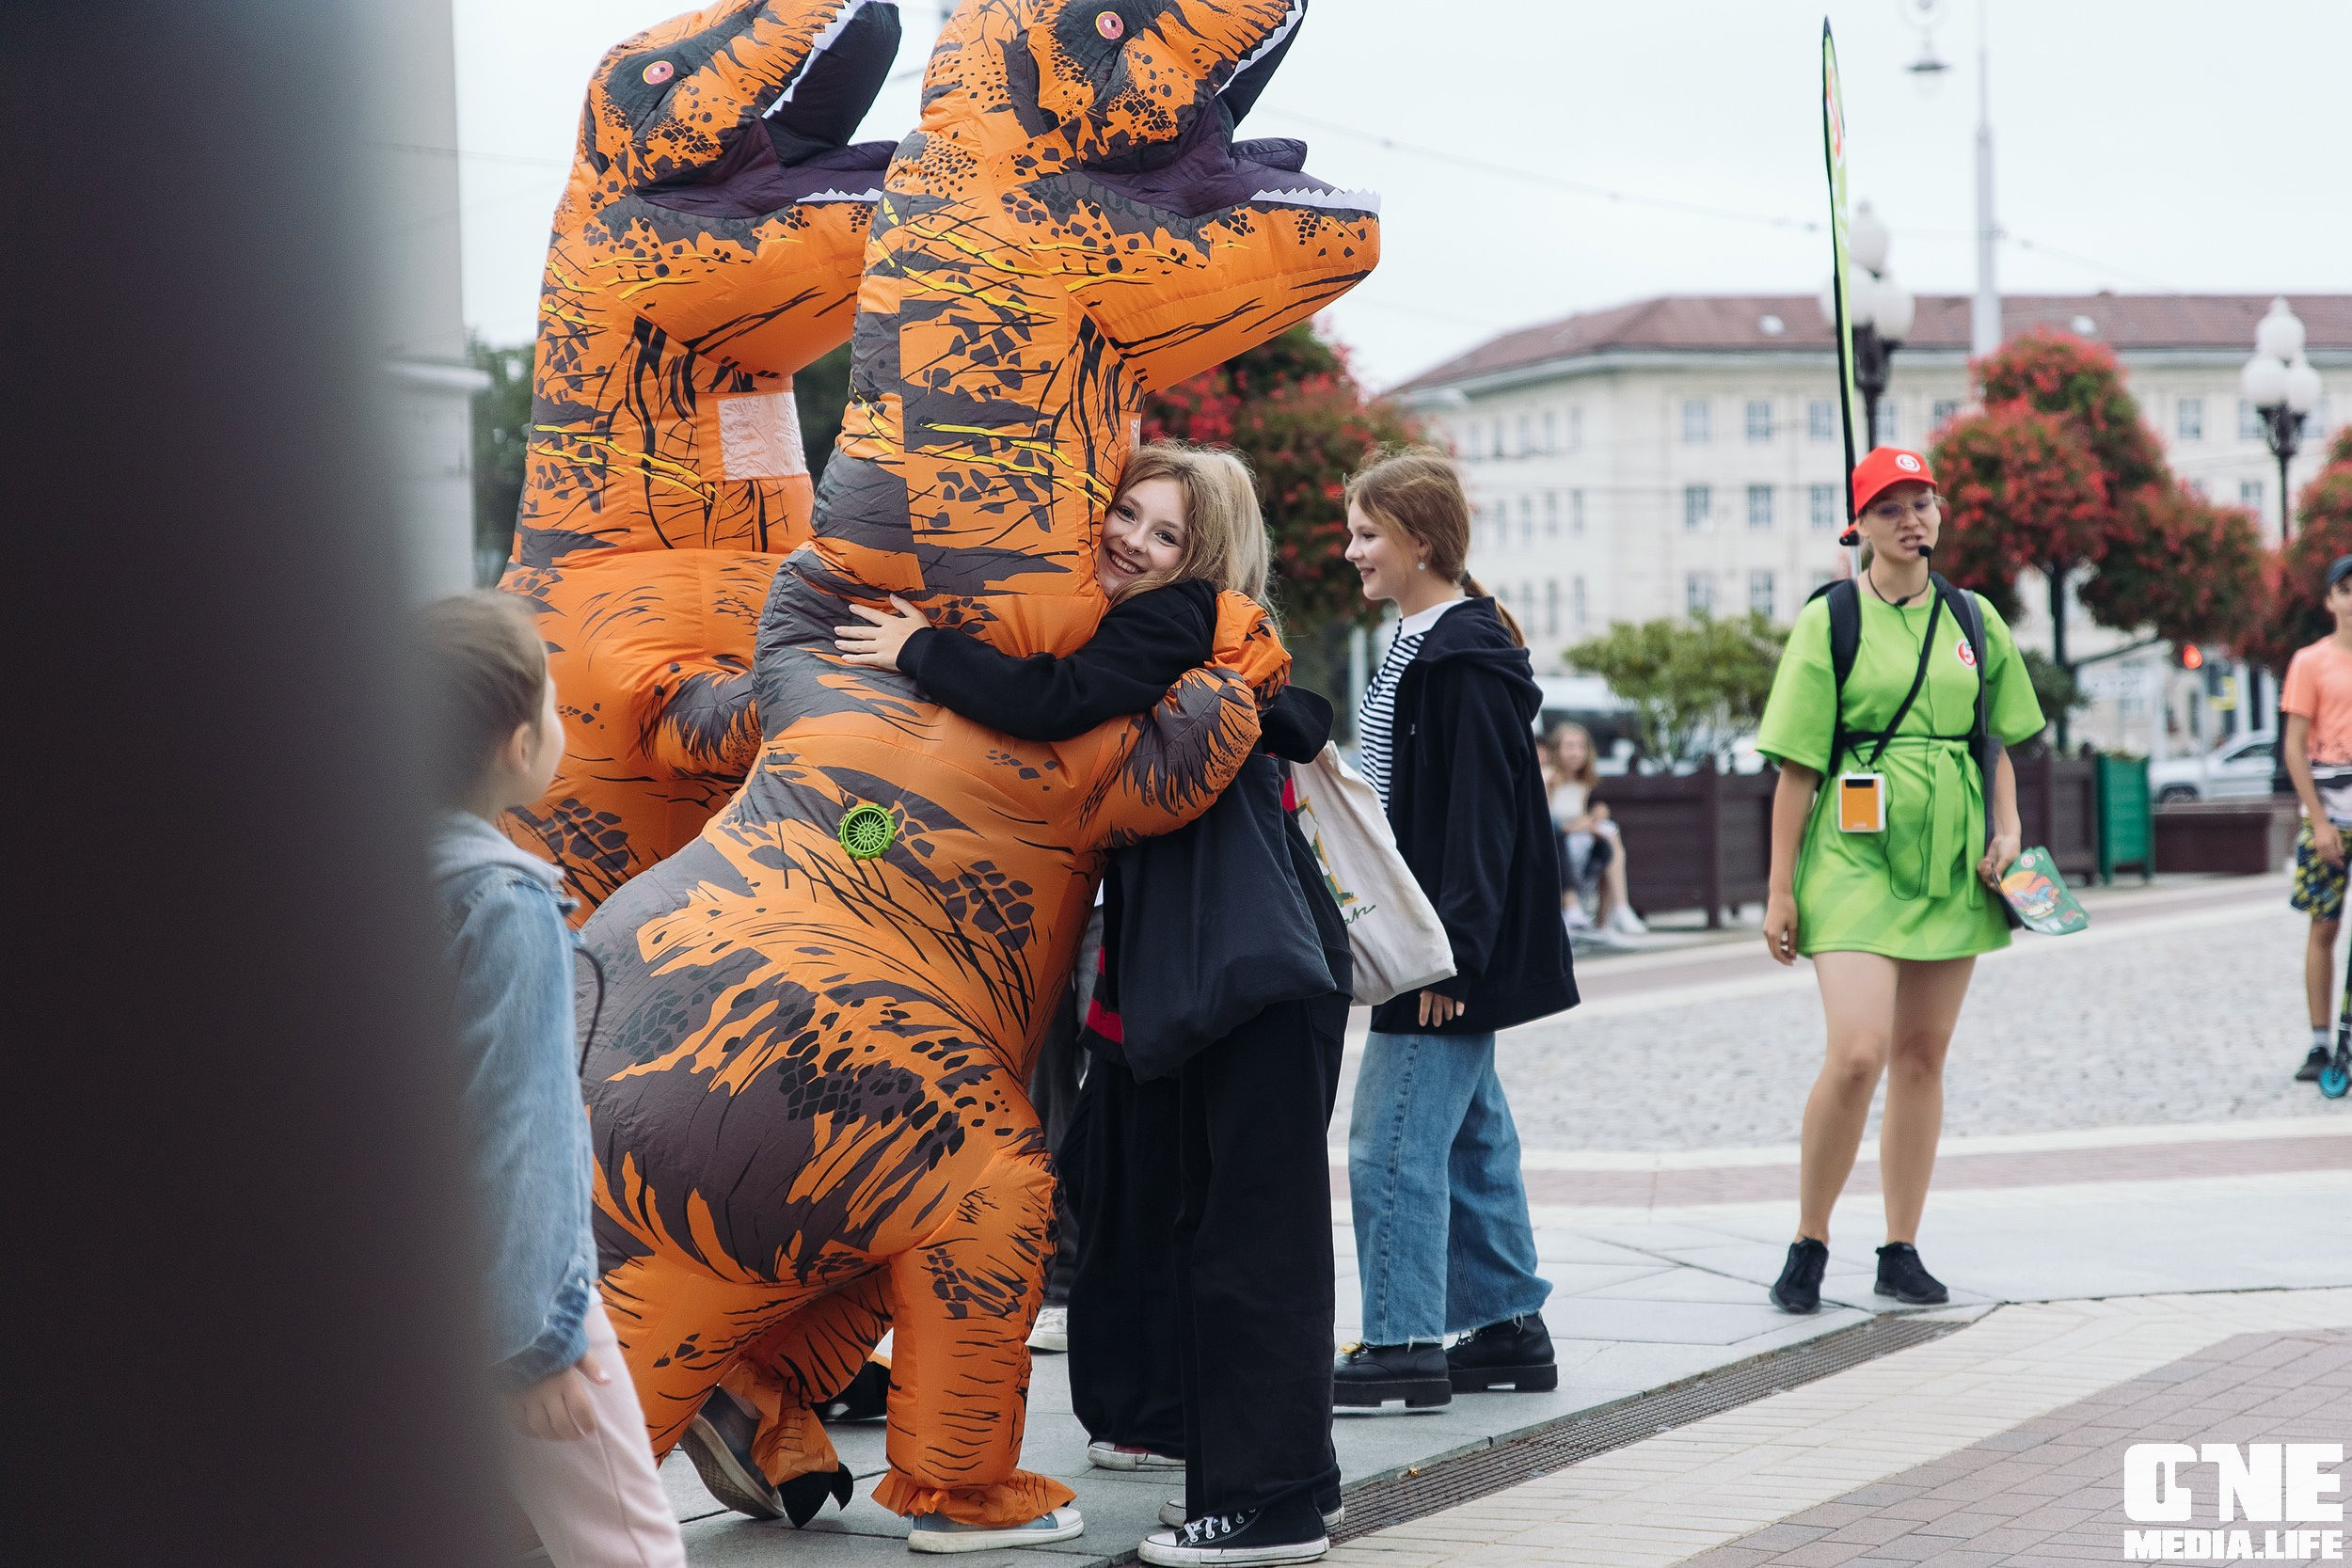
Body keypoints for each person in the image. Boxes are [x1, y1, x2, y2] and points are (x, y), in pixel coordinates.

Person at [840, 442, 1347, 1566]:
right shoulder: (1204, 639)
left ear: (1200, 558)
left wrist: (917, 646)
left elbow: (1051, 699)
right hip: (1240, 978)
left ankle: (1270, 1506)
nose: (1133, 541)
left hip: (1250, 976)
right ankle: (1280, 1486)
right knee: (1222, 1233)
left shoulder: (1176, 618)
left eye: (1166, 533)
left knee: (1246, 1243)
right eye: (1127, 514)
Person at [420, 593, 687, 1568]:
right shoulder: (502, 900)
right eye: (556, 704)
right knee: (627, 1545)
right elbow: (518, 1123)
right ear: (518, 742)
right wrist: (534, 1341)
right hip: (518, 1298)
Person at [1753, 448, 2044, 1315]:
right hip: (1853, 854)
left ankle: (1901, 1247)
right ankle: (1809, 1238)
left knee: (1923, 1054)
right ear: (1860, 527)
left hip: (1953, 854)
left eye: (1922, 502)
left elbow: (1995, 742)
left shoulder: (1974, 618)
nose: (1911, 519)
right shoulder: (1831, 619)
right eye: (1890, 507)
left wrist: (2009, 830)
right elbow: (1796, 769)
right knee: (1857, 1053)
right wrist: (1780, 889)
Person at [1335, 450, 1577, 1412]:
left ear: (1422, 542)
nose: (1352, 550)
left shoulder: (1460, 658)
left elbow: (1481, 819)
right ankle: (1508, 1324)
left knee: (1387, 1144)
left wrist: (1450, 959)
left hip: (1435, 946)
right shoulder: (1421, 642)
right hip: (1424, 931)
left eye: (1367, 533)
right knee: (1473, 1140)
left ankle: (1401, 1343)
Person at [2280, 554, 2352, 1083]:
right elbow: (2294, 747)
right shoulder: (2310, 662)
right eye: (2345, 590)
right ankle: (2319, 1041)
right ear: (2330, 600)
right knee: (2323, 927)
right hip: (2329, 818)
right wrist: (2320, 822)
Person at [1542, 723, 1645, 939]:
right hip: (1553, 850)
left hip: (1576, 845)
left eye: (1581, 747)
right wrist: (1584, 824)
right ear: (1557, 750)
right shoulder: (1548, 777)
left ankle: (1610, 915)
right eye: (1569, 746)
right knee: (1603, 835)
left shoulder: (1584, 783)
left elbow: (1579, 819)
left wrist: (1595, 817)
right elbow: (1546, 823)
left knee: (1609, 835)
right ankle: (1589, 908)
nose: (1576, 753)